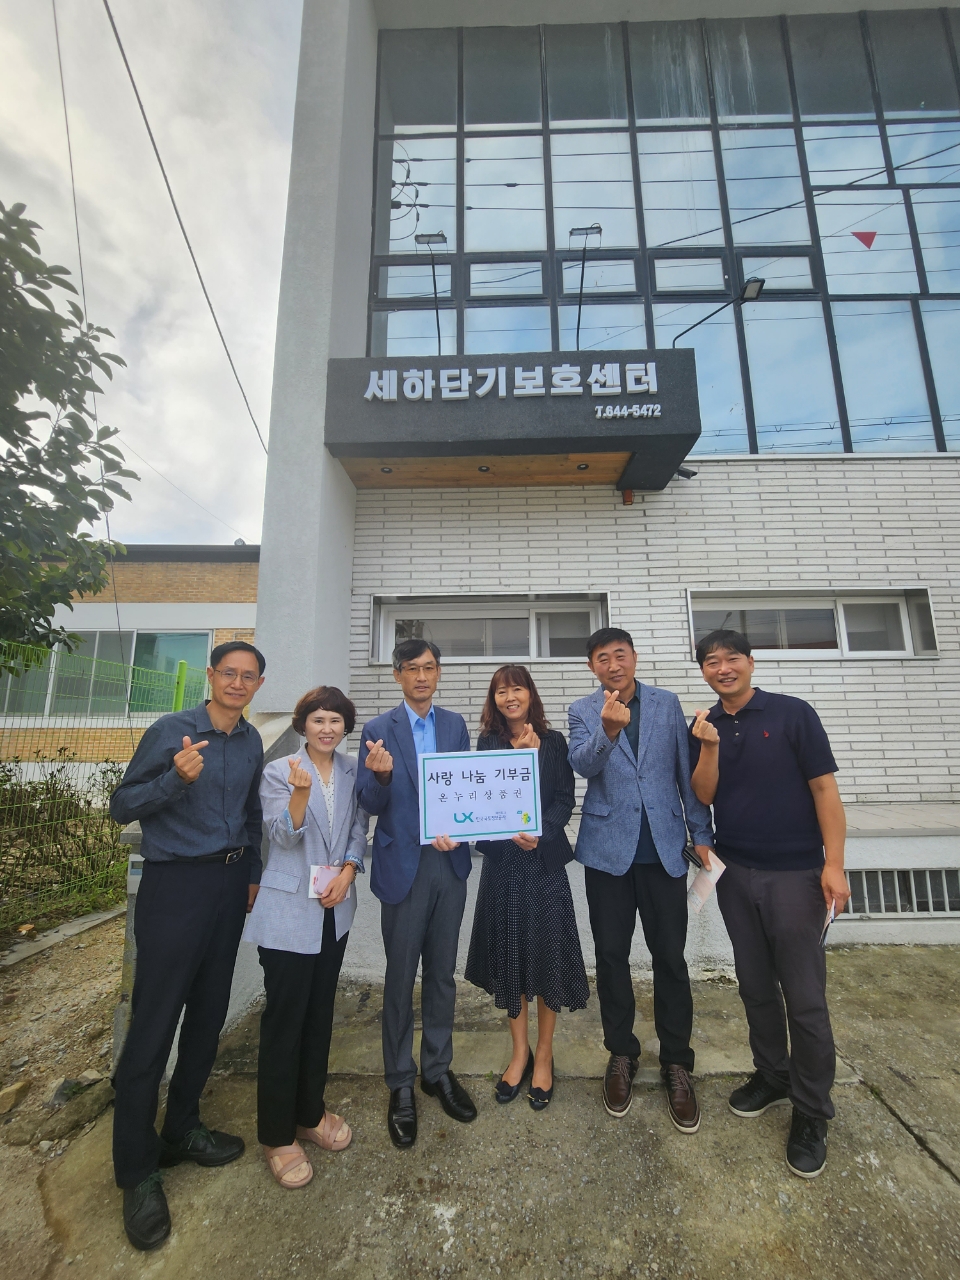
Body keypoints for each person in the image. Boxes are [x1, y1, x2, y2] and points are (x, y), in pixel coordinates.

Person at [109, 641, 266, 1251]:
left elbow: (252, 812)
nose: (238, 683)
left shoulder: (251, 740)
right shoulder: (172, 731)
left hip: (229, 886)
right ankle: (136, 1168)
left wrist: (250, 870)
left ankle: (182, 1127)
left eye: (249, 676)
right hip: (175, 885)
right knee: (154, 1023)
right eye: (229, 673)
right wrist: (175, 779)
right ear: (211, 676)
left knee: (207, 1015)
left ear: (258, 684)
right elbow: (122, 804)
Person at [689, 629, 850, 1179]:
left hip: (797, 873)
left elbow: (825, 790)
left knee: (804, 997)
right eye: (712, 662)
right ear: (704, 672)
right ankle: (773, 1075)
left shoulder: (791, 714)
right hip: (736, 873)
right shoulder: (704, 725)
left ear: (750, 663)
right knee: (755, 985)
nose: (722, 668)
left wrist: (834, 863)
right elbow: (704, 795)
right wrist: (707, 745)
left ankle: (812, 1110)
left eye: (731, 658)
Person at [568, 627, 714, 1132]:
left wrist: (701, 833)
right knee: (610, 958)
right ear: (593, 667)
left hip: (664, 851)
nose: (613, 664)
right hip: (607, 853)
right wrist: (607, 732)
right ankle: (622, 1053)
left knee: (669, 958)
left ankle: (677, 1061)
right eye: (602, 658)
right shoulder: (583, 711)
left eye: (620, 655)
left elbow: (683, 771)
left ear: (633, 658)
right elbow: (580, 765)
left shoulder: (666, 703)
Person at [246, 685, 371, 1188]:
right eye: (318, 719)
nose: (327, 728)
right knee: (284, 1021)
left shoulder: (351, 770)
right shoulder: (280, 771)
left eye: (336, 721)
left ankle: (310, 1112)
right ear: (303, 725)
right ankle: (277, 1135)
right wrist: (299, 794)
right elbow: (282, 837)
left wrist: (350, 869)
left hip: (333, 909)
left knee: (320, 1016)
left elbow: (360, 825)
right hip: (288, 910)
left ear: (345, 727)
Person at [356, 638, 477, 1148]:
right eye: (412, 669)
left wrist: (465, 825)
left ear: (439, 671)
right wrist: (380, 777)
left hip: (447, 862)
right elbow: (368, 799)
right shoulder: (378, 729)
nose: (422, 676)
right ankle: (400, 1082)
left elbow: (466, 788)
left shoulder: (454, 725)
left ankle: (437, 1070)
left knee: (443, 975)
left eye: (430, 667)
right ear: (397, 675)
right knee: (401, 977)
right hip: (402, 863)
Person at [466, 666, 586, 1111]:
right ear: (493, 698)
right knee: (511, 956)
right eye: (501, 690)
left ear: (530, 694)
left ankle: (546, 1054)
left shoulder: (553, 742)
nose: (510, 697)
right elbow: (486, 801)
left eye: (517, 688)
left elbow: (562, 799)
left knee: (546, 955)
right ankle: (520, 1052)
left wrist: (542, 830)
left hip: (543, 861)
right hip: (503, 863)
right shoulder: (488, 743)